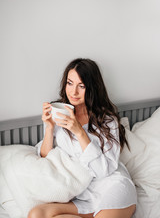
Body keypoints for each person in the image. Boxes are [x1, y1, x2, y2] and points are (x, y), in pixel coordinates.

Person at [28, 58, 137, 218]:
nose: (73, 92)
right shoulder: (59, 113)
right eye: (70, 83)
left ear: (92, 88)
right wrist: (50, 128)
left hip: (111, 185)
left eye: (82, 86)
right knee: (36, 214)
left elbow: (103, 172)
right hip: (81, 190)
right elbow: (45, 156)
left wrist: (79, 132)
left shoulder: (107, 120)